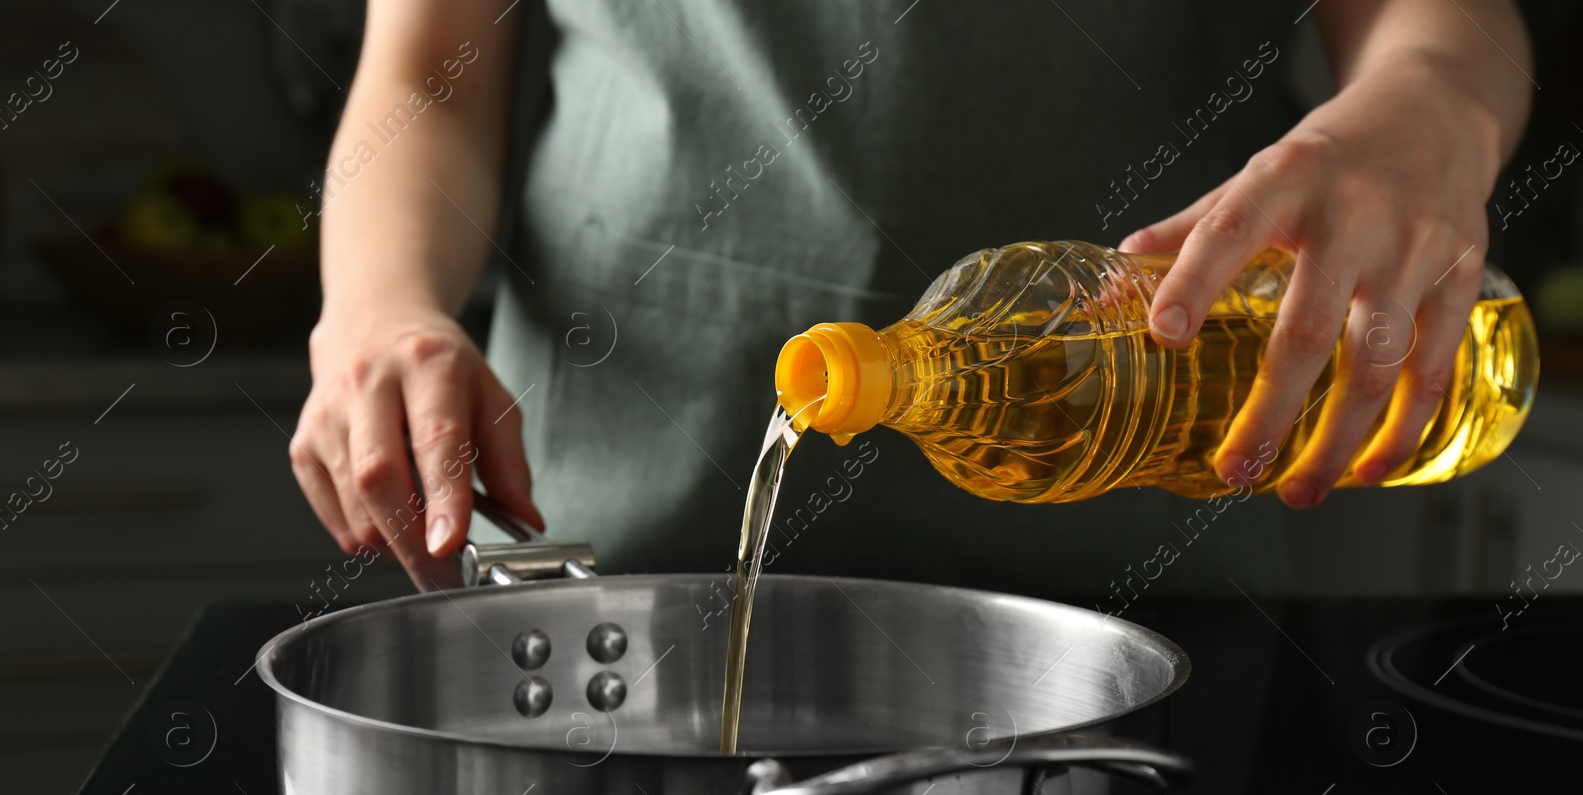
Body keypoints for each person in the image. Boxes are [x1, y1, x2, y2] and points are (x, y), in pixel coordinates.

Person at [290, 0, 1532, 600]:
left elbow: (1445, 25)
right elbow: (428, 75)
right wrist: (377, 305)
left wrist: (1432, 100)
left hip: (1132, 601)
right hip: (606, 567)